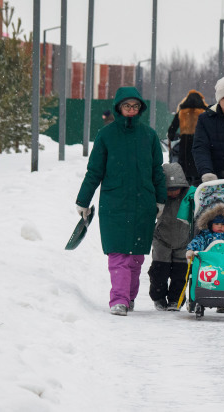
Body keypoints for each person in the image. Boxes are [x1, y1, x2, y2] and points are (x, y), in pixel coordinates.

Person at [76, 87, 166, 316]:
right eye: (127, 106)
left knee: (136, 257)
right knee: (118, 255)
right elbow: (94, 170)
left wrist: (160, 199)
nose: (131, 110)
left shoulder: (149, 135)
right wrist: (83, 200)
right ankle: (119, 299)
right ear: (118, 107)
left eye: (135, 106)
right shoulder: (106, 135)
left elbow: (157, 170)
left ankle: (129, 296)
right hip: (114, 204)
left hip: (143, 203)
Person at [148, 163, 190, 312]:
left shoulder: (188, 198)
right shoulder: (158, 198)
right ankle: (158, 297)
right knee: (159, 272)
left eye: (176, 189)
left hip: (183, 241)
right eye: (169, 189)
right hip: (162, 240)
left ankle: (175, 300)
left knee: (180, 274)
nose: (172, 193)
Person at [167, 90, 207, 184]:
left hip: (185, 145)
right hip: (201, 144)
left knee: (184, 170)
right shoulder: (204, 112)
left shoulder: (182, 112)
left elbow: (171, 130)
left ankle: (186, 185)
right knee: (199, 167)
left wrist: (172, 136)